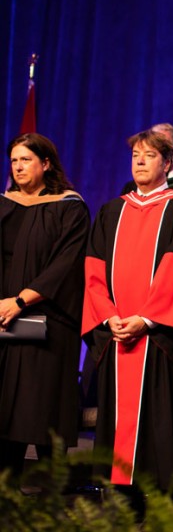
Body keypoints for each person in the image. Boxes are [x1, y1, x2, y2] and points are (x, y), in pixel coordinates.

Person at [82, 130, 173, 490]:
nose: (140, 161)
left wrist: (146, 319)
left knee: (158, 421)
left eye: (149, 155)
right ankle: (115, 496)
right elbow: (92, 270)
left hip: (155, 337)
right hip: (116, 334)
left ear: (167, 163)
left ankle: (157, 502)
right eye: (135, 155)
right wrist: (108, 316)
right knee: (114, 420)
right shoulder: (111, 210)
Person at [0, 133, 89, 478]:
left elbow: (65, 263)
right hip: (5, 319)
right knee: (6, 404)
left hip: (48, 321)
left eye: (26, 159)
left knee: (43, 406)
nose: (19, 167)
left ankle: (53, 495)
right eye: (14, 160)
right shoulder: (5, 205)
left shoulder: (69, 206)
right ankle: (8, 487)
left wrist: (21, 300)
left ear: (46, 163)